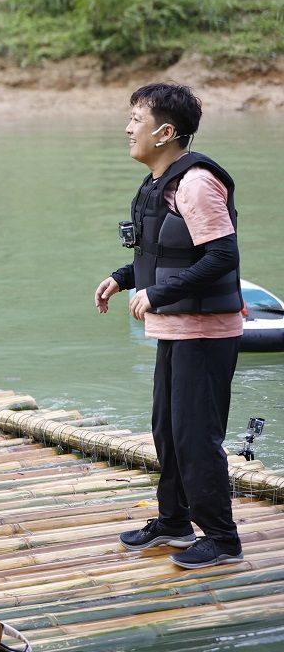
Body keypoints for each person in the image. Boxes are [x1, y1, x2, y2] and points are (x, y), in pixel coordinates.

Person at [94, 82, 245, 570]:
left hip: (205, 331)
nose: (127, 128)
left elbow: (221, 256)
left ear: (165, 132)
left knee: (196, 435)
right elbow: (165, 253)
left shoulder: (196, 183)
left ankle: (222, 538)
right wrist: (123, 278)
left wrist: (157, 294)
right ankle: (175, 522)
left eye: (135, 119)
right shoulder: (161, 182)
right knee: (168, 430)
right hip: (177, 330)